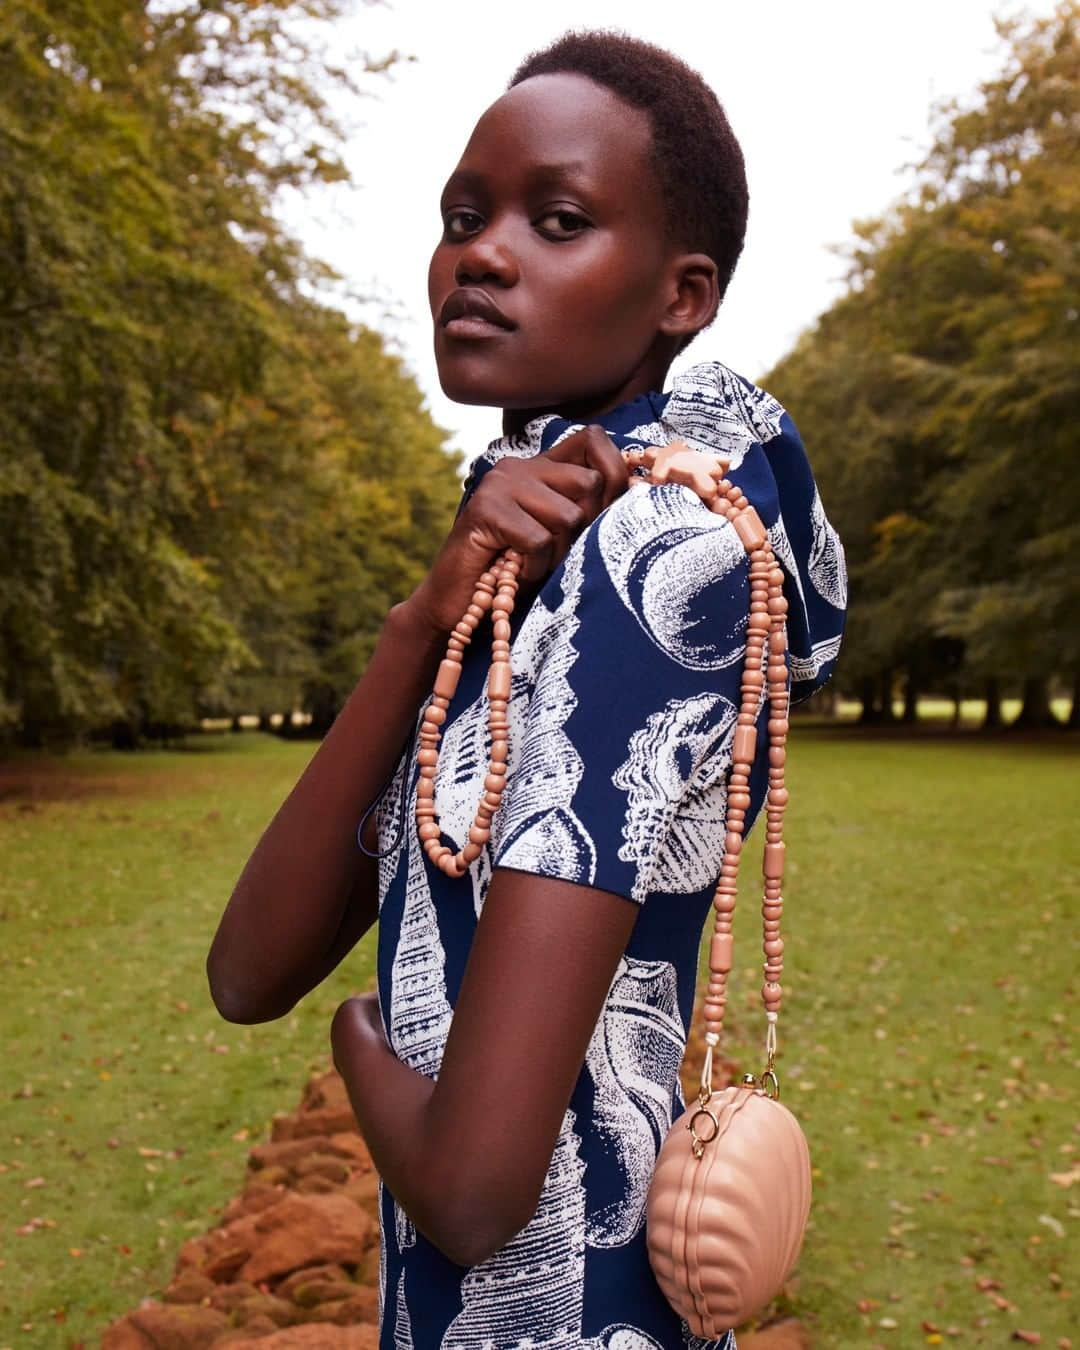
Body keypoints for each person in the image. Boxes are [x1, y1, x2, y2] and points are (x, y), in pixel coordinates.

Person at [206, 29, 847, 1350]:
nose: (479, 255)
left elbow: (471, 1185)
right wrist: (419, 620)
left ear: (683, 294)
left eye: (556, 220)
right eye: (461, 216)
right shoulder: (531, 551)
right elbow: (247, 965)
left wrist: (359, 1034)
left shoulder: (654, 552)